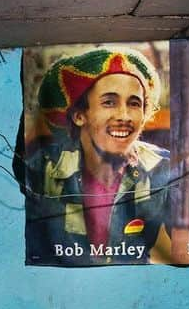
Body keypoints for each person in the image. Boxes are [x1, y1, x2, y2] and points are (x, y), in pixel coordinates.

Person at [20, 46, 173, 265]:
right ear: (79, 115)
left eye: (134, 103)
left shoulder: (163, 168)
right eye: (109, 102)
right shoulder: (43, 170)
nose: (124, 115)